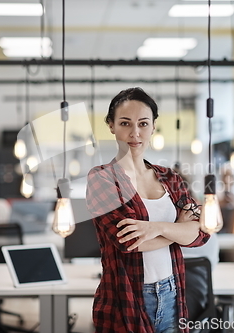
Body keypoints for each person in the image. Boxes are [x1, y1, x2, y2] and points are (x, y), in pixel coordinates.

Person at [86, 87, 211, 333]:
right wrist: (178, 230)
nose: (135, 133)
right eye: (125, 123)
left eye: (143, 123)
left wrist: (156, 228)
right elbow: (129, 242)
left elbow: (200, 234)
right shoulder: (101, 179)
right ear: (111, 125)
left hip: (173, 293)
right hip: (127, 298)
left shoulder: (170, 178)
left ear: (153, 126)